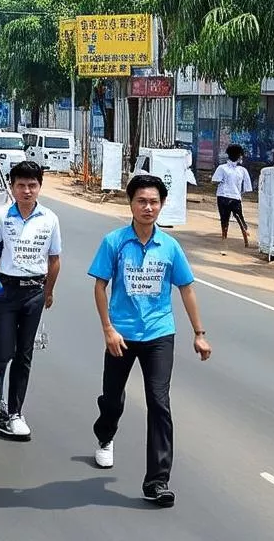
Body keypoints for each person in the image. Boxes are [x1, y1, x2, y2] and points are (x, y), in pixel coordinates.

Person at [88, 174, 212, 507]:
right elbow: (100, 286)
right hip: (121, 336)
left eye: (154, 202)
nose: (148, 207)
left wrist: (199, 334)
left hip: (159, 334)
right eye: (141, 201)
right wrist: (108, 330)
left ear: (162, 205)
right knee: (112, 398)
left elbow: (186, 288)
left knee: (159, 402)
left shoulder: (170, 247)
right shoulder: (114, 242)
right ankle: (105, 434)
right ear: (130, 203)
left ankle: (157, 481)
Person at [0, 160, 61, 440]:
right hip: (7, 292)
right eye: (21, 185)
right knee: (4, 352)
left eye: (32, 185)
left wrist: (49, 292)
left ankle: (16, 412)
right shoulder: (1, 217)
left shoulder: (50, 219)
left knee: (25, 354)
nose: (27, 190)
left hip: (35, 292)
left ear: (40, 187)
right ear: (12, 187)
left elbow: (54, 260)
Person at [212, 144, 252, 246]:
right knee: (239, 217)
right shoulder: (242, 170)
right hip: (235, 197)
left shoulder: (222, 168)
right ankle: (245, 238)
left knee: (224, 218)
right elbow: (247, 187)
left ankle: (224, 237)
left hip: (222, 196)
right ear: (239, 156)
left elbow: (215, 181)